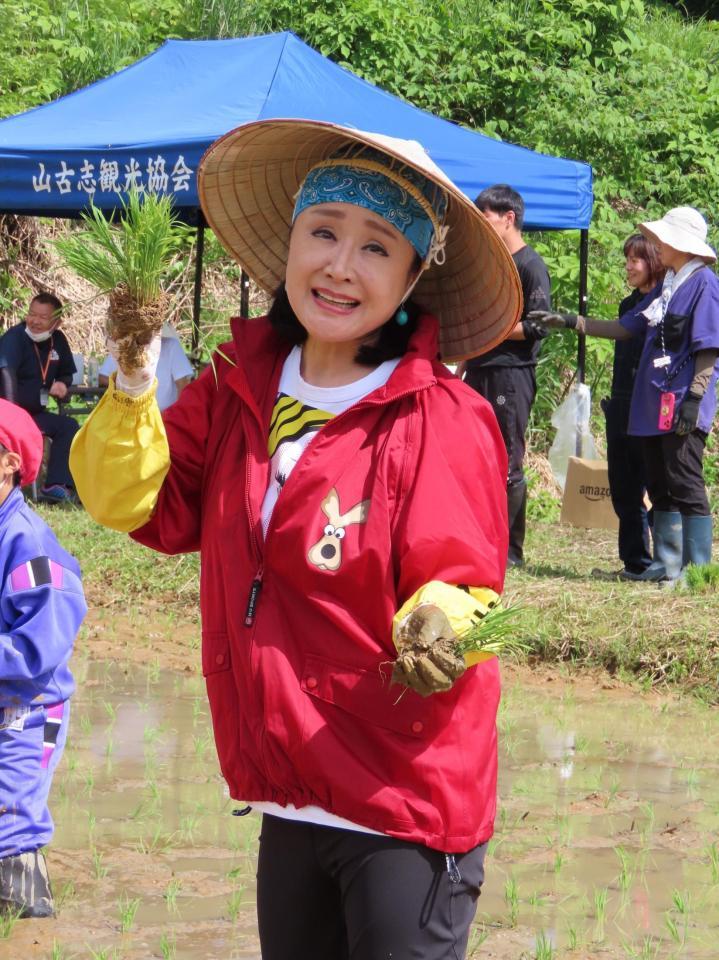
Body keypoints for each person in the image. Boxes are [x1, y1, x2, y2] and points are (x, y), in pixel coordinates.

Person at [70, 119, 522, 959]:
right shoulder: (237, 390)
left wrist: (445, 621)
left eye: (377, 247)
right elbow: (136, 504)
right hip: (291, 792)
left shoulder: (439, 416)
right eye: (323, 232)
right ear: (290, 243)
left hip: (402, 797)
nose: (340, 266)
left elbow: (466, 580)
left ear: (414, 274)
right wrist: (133, 379)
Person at [531, 206, 719, 585]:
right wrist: (571, 321)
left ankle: (697, 571)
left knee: (684, 480)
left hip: (680, 400)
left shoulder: (704, 284)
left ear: (679, 244)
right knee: (660, 482)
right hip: (650, 404)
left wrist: (695, 399)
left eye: (661, 239)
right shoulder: (669, 286)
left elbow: (708, 346)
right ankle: (666, 565)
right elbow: (624, 327)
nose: (655, 245)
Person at [0, 399, 86, 918]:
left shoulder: (29, 542)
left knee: (9, 822)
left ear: (9, 461)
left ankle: (32, 934)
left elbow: (40, 647)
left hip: (26, 713)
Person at [456, 185, 552, 567]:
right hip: (479, 369)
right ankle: (483, 541)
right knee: (478, 458)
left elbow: (538, 326)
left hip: (511, 375)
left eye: (486, 216)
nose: (482, 222)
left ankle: (512, 552)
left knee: (508, 459)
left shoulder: (531, 265)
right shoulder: (493, 264)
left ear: (507, 218)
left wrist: (493, 327)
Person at [601, 234, 665, 578]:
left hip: (649, 407)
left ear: (653, 261)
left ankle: (666, 562)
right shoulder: (627, 305)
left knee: (654, 486)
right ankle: (635, 562)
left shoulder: (664, 303)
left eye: (634, 260)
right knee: (623, 487)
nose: (628, 267)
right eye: (627, 260)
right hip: (620, 404)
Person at [0, 293, 79, 503]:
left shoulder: (58, 341)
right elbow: (6, 374)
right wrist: (12, 418)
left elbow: (67, 372)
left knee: (68, 426)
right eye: (31, 314)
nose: (34, 321)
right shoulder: (14, 337)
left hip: (35, 414)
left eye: (42, 317)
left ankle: (55, 484)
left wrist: (63, 382)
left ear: (56, 322)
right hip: (8, 415)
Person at [98, 323, 193, 411]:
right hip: (131, 414)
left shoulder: (171, 346)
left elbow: (184, 383)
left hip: (163, 417)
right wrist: (129, 384)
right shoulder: (125, 347)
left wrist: (174, 415)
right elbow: (103, 378)